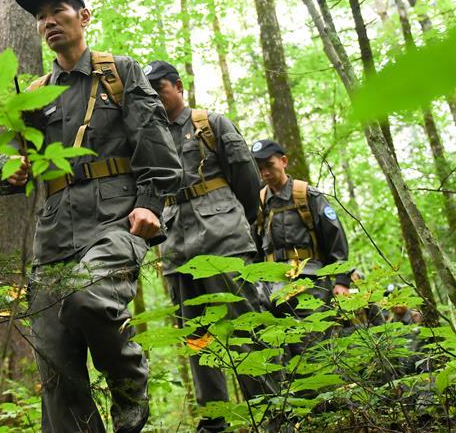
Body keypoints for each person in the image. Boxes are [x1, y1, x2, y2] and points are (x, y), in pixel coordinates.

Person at [0, 0, 182, 433]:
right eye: (41, 17)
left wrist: (151, 204)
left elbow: (156, 144)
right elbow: (0, 164)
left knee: (86, 296)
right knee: (56, 368)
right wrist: (9, 171)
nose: (49, 22)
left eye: (58, 11)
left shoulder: (119, 72)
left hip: (117, 222)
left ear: (84, 17)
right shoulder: (35, 93)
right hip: (54, 234)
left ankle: (129, 386)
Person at [145, 60, 276, 433]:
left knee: (243, 325)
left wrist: (241, 228)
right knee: (197, 337)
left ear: (178, 87)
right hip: (176, 250)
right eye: (149, 90)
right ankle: (215, 420)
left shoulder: (210, 124)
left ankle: (269, 411)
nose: (155, 96)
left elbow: (248, 182)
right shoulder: (150, 135)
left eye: (161, 88)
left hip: (224, 241)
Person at [251, 139, 351, 358]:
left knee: (312, 350)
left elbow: (336, 238)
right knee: (277, 355)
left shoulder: (308, 196)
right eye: (260, 168)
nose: (265, 172)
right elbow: (254, 249)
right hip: (270, 289)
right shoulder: (258, 203)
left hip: (309, 283)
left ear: (283, 161)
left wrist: (342, 281)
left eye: (269, 165)